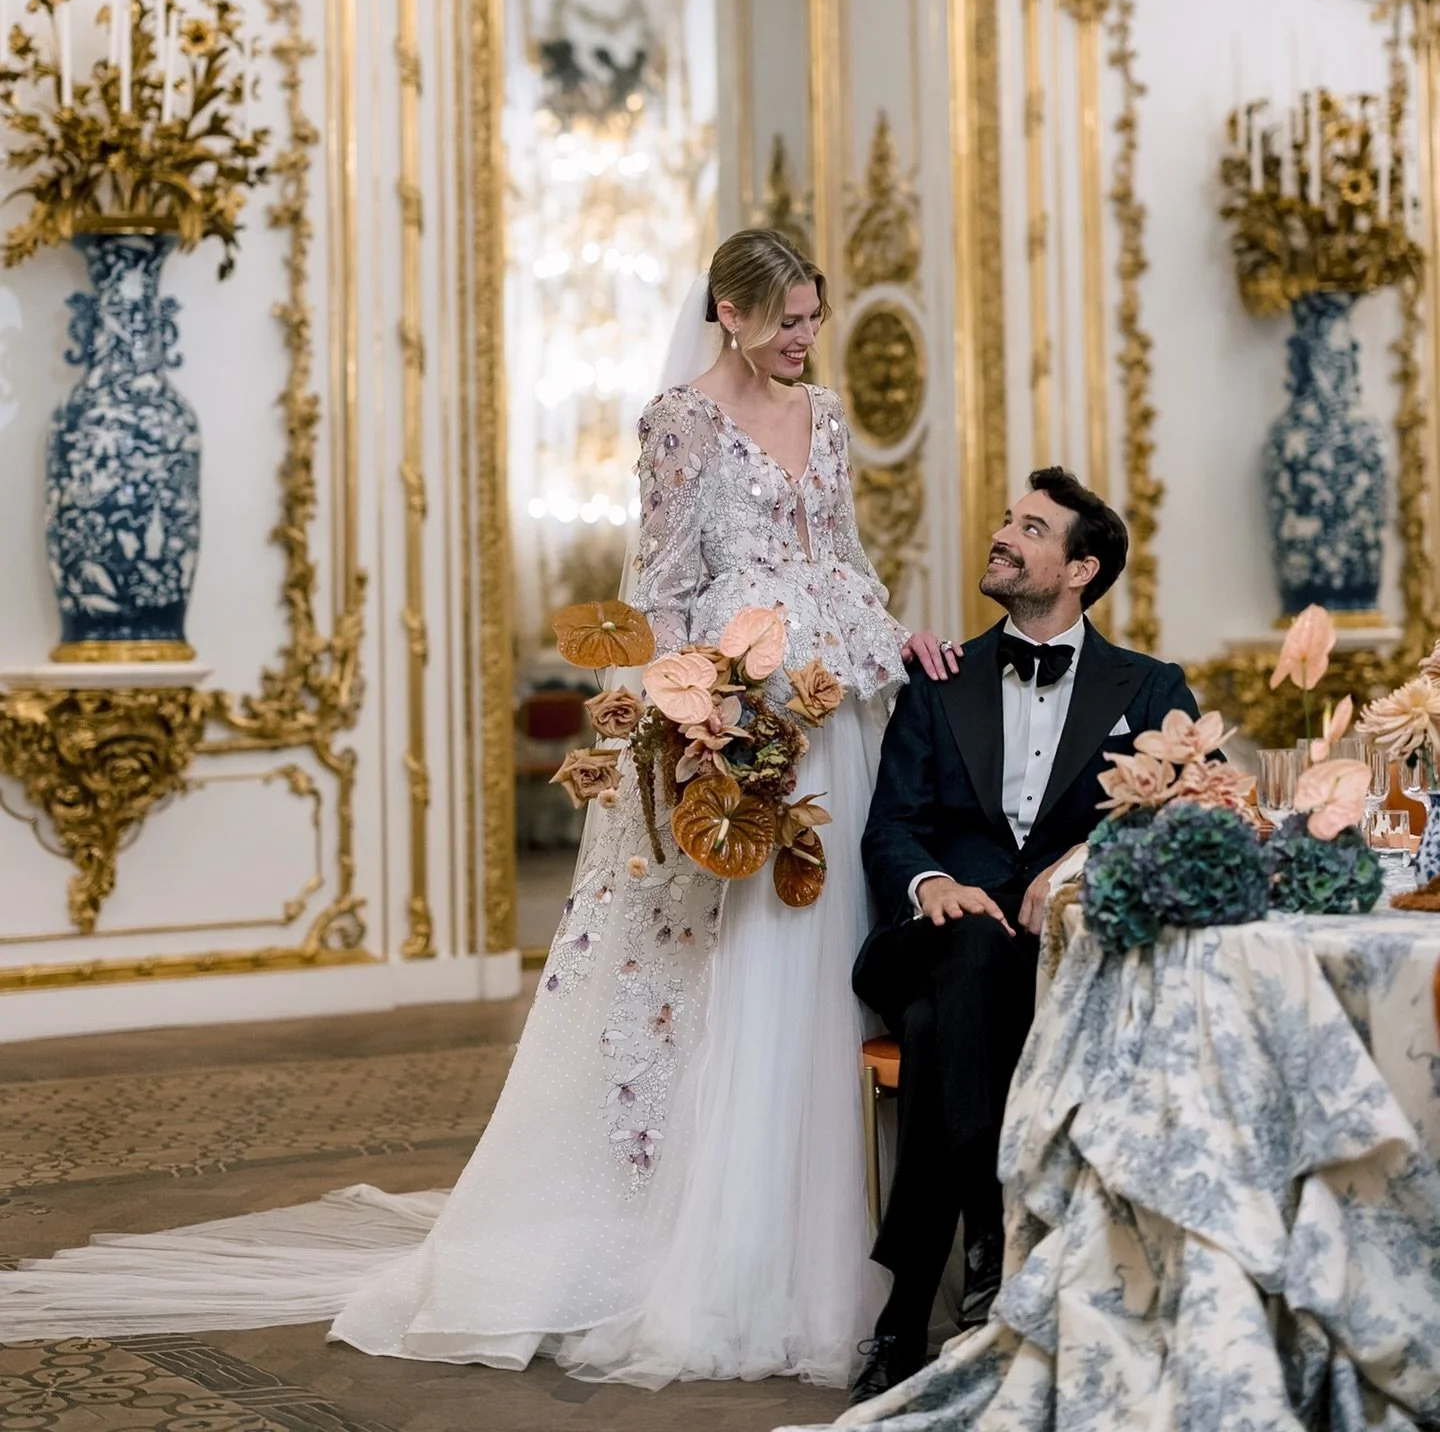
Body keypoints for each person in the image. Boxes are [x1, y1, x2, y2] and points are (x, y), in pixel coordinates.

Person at [0, 228, 959, 1395]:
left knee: (820, 964)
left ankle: (829, 1240)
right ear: (728, 312)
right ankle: (722, 1253)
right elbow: (660, 587)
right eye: (788, 319)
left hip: (836, 706)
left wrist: (892, 633)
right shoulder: (678, 423)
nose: (807, 338)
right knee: (746, 965)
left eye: (815, 314)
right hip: (740, 706)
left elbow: (845, 557)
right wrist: (691, 710)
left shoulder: (831, 416)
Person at [848, 467, 1203, 1405]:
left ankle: (903, 1311)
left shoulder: (1153, 687)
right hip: (932, 937)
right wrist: (933, 886)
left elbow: (1174, 815)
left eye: (1031, 528)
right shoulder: (941, 679)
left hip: (1053, 959)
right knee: (967, 946)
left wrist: (1074, 863)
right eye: (1008, 519)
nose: (1003, 535)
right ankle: (991, 1253)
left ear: (1080, 568)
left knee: (942, 1025)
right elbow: (889, 828)